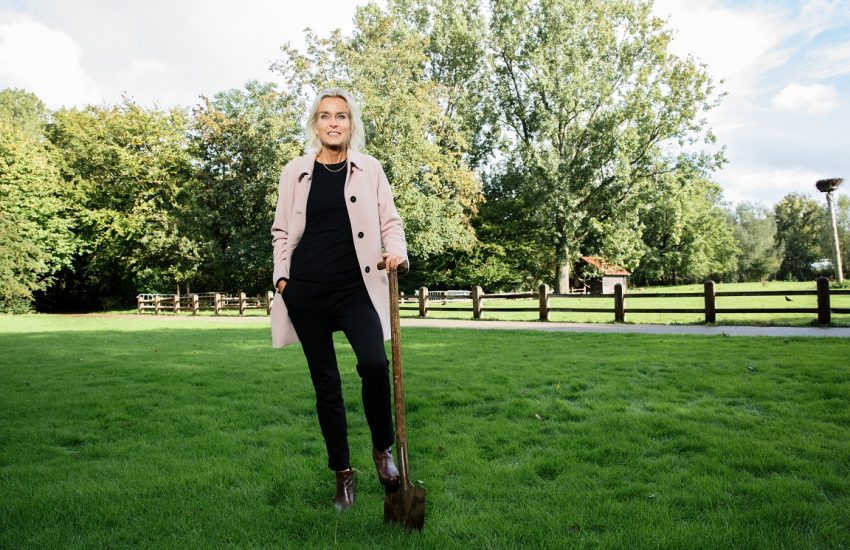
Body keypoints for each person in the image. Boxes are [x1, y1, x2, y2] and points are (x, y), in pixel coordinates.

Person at [270, 88, 408, 511]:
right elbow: (280, 232)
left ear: (352, 124)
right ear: (315, 124)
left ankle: (383, 450)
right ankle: (343, 475)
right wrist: (282, 280)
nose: (334, 123)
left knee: (373, 363)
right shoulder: (294, 171)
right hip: (307, 290)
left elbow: (390, 221)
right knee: (326, 385)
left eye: (342, 116)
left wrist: (397, 250)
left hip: (355, 288)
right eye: (326, 116)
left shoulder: (370, 169)